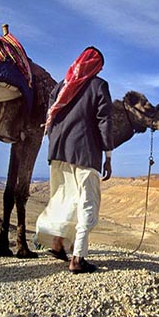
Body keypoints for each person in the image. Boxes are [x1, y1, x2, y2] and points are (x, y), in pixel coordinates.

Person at [35, 46, 113, 274]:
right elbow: (104, 121)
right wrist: (108, 156)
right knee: (88, 202)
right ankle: (78, 258)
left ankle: (58, 245)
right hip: (85, 153)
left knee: (63, 199)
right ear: (97, 66)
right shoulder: (99, 86)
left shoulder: (61, 86)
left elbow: (50, 115)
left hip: (57, 151)